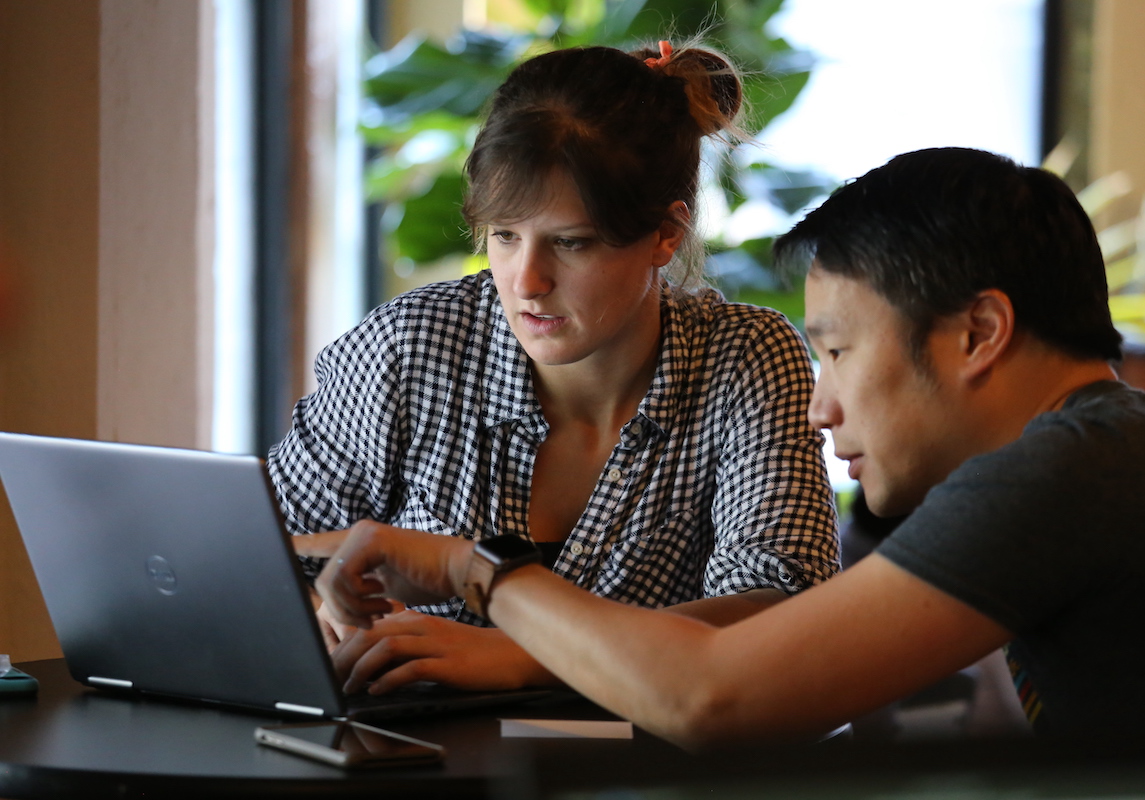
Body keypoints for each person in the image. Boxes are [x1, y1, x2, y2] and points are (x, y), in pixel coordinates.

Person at [315, 147, 1145, 747]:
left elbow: (711, 696)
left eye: (840, 351)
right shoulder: (1107, 450)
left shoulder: (1067, 474)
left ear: (980, 332)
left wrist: (476, 570)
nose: (819, 407)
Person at [268, 41, 839, 694]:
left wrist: (515, 658)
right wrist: (324, 612)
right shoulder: (410, 345)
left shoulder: (745, 361)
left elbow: (779, 610)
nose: (526, 282)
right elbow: (269, 550)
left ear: (665, 235)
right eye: (506, 237)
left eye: (570, 243)